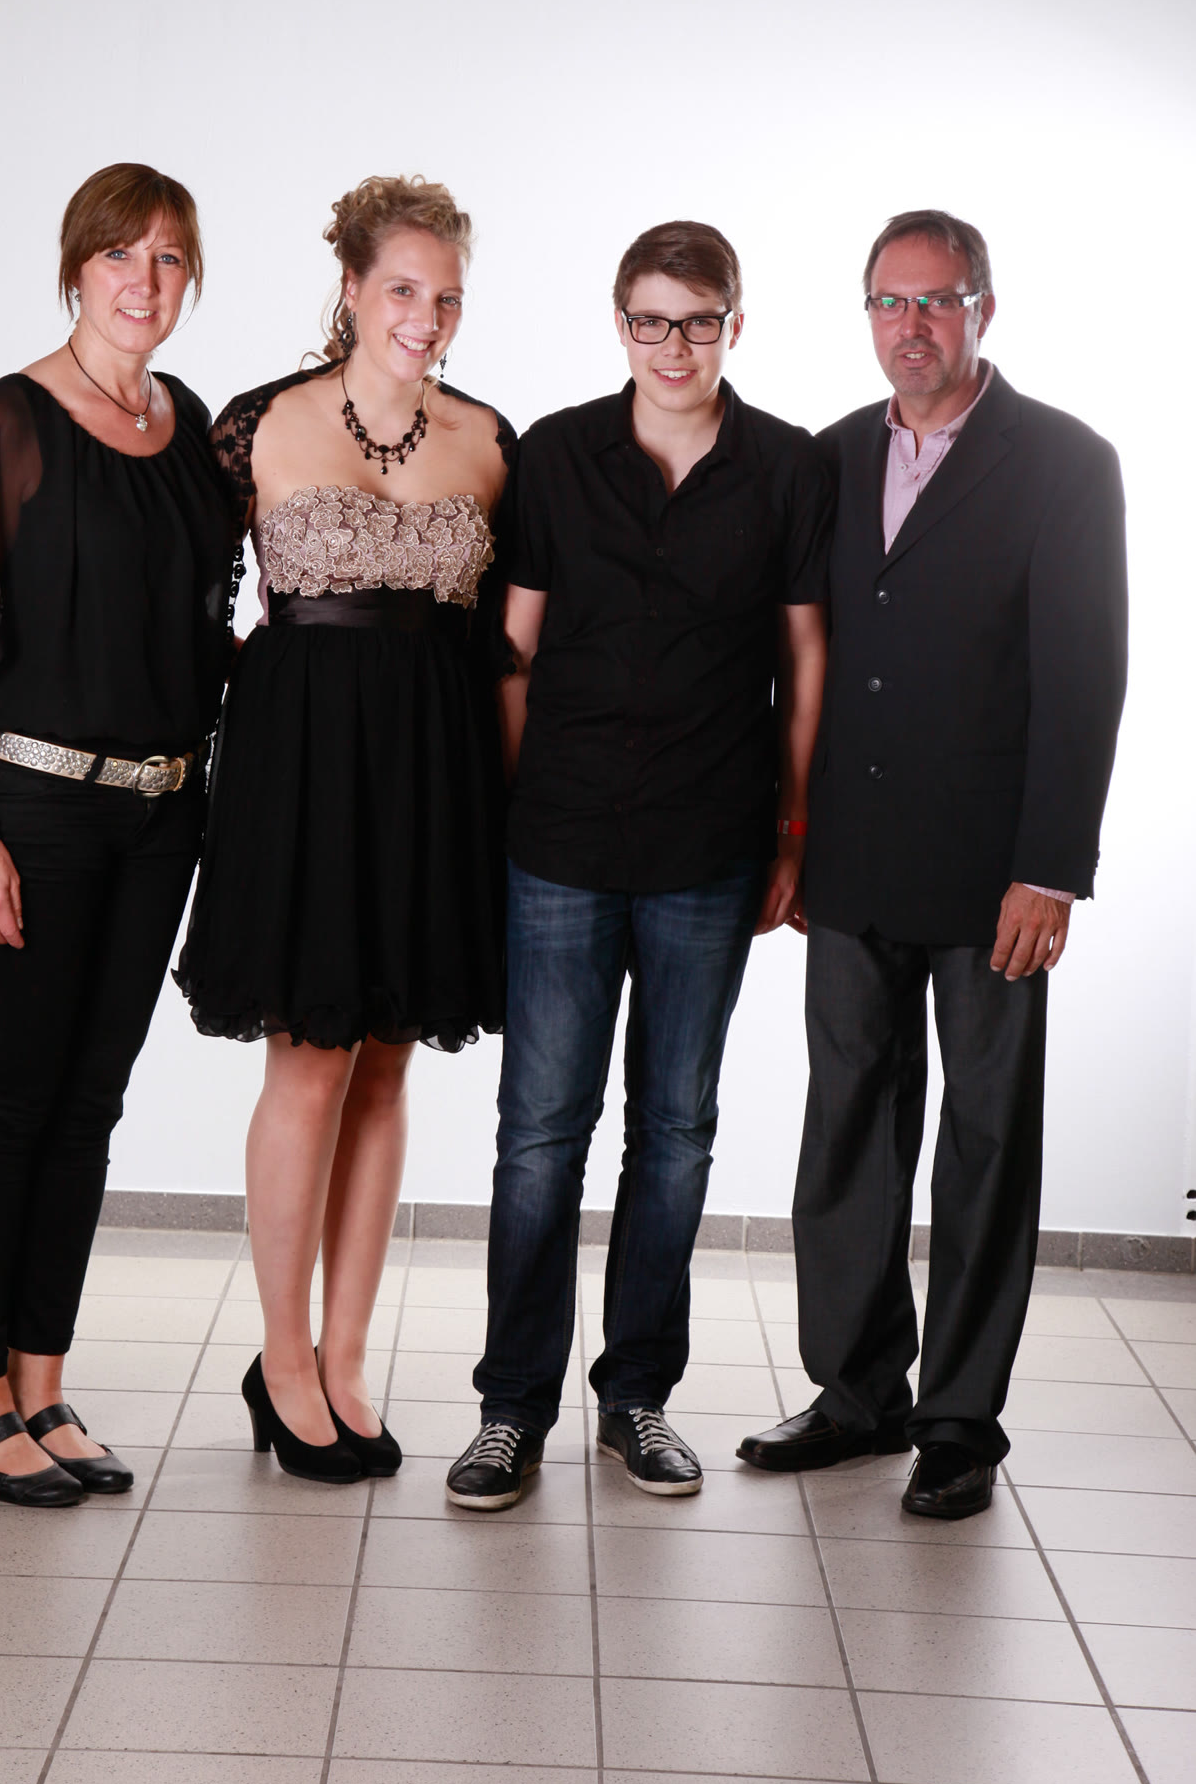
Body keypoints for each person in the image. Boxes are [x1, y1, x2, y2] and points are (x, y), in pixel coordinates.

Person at [739, 209, 1128, 1519]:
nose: (912, 326)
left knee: (984, 1138)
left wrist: (1050, 868)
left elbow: (1084, 674)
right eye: (889, 303)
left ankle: (958, 1419)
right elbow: (797, 660)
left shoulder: (1065, 461)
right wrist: (788, 834)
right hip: (850, 856)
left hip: (990, 873)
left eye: (938, 300)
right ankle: (858, 1394)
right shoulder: (832, 455)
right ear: (866, 315)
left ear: (983, 310)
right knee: (847, 1124)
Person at [445, 221, 833, 1510]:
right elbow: (514, 650)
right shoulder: (557, 455)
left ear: (735, 325)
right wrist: (515, 815)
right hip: (559, 844)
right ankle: (512, 1409)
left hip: (710, 848)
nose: (675, 346)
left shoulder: (787, 467)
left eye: (699, 321)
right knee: (540, 1135)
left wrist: (792, 831)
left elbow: (806, 663)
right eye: (652, 321)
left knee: (674, 1133)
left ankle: (637, 1401)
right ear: (620, 325)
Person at [0, 163, 237, 1506]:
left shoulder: (189, 423)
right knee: (6, 1096)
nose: (143, 282)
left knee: (89, 1104)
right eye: (119, 255)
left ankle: (41, 1382)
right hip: (30, 809)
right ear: (76, 267)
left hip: (161, 813)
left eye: (169, 258)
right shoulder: (11, 420)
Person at [174, 175, 511, 1484]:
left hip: (432, 778)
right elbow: (182, 605)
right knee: (308, 1063)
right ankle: (281, 1359)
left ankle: (348, 1354)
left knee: (386, 1064)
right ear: (354, 289)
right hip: (298, 776)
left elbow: (508, 646)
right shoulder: (257, 424)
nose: (425, 315)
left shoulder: (491, 442)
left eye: (447, 297)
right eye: (403, 289)